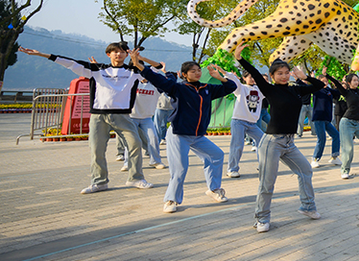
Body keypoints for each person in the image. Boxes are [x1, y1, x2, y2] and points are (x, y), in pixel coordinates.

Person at [19, 44, 154, 193]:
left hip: (123, 116)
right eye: (115, 52)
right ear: (108, 54)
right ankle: (100, 182)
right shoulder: (97, 69)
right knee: (97, 149)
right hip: (99, 116)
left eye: (122, 52)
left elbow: (158, 68)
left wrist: (138, 60)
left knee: (135, 144)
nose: (119, 54)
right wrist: (41, 54)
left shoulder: (133, 71)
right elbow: (70, 62)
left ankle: (136, 178)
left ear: (126, 55)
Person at [132, 53, 236, 213]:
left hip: (198, 136)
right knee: (180, 168)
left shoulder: (207, 89)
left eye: (198, 70)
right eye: (193, 71)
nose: (197, 73)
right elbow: (156, 78)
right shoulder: (178, 88)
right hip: (178, 134)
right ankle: (170, 200)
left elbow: (231, 87)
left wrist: (219, 77)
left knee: (216, 155)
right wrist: (139, 65)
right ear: (184, 74)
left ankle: (214, 189)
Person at [235, 45, 322, 233]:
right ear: (273, 76)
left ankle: (307, 206)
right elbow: (255, 73)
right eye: (279, 73)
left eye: (286, 72)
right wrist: (240, 58)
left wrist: (303, 76)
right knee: (268, 182)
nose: (284, 76)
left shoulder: (296, 90)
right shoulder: (269, 89)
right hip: (272, 142)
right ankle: (262, 218)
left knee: (305, 170)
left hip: (290, 143)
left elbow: (319, 86)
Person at [326, 73, 359, 178]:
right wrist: (327, 75)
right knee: (348, 148)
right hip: (346, 123)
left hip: (356, 123)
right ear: (349, 83)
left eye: (357, 80)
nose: (356, 82)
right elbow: (336, 83)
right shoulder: (346, 92)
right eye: (354, 80)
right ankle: (344, 171)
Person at [222, 67, 265, 178]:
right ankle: (232, 169)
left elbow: (271, 89)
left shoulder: (260, 90)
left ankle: (263, 166)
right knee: (237, 145)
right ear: (244, 78)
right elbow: (234, 81)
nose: (253, 79)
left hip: (252, 123)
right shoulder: (241, 88)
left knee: (263, 141)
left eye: (254, 77)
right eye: (250, 77)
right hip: (239, 121)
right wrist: (225, 73)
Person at [310, 71, 340, 167]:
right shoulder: (317, 90)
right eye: (323, 81)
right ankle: (315, 158)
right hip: (319, 118)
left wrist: (334, 81)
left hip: (327, 119)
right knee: (321, 139)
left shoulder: (329, 90)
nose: (325, 83)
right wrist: (313, 79)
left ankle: (334, 157)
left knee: (336, 135)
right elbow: (312, 86)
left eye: (326, 81)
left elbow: (339, 92)